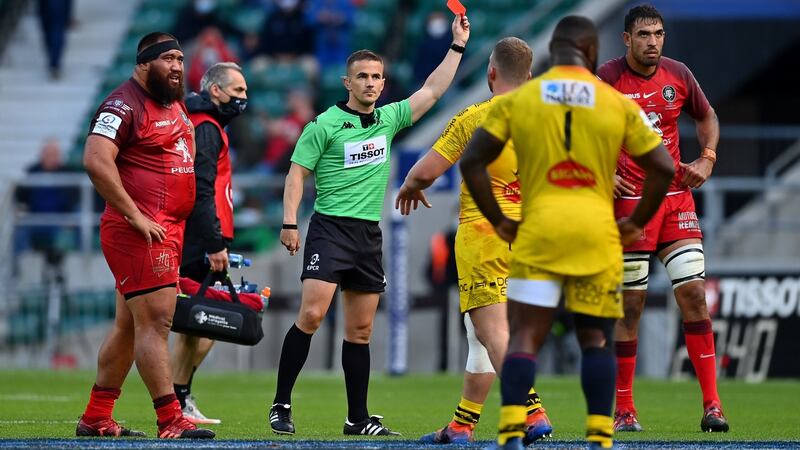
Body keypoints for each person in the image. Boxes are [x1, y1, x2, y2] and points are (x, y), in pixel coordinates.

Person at [460, 16, 674, 450]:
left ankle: (511, 434)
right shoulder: (615, 102)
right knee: (595, 337)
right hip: (596, 234)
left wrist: (500, 220)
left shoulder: (521, 100)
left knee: (523, 336)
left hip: (538, 232)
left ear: (550, 54)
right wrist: (635, 222)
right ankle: (599, 437)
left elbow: (472, 164)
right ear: (591, 53)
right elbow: (663, 167)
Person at [269, 13, 470, 437]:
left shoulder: (389, 118)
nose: (371, 83)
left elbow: (432, 91)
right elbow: (295, 176)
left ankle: (356, 419)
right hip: (329, 228)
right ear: (348, 83)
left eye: (377, 76)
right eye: (362, 76)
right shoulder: (323, 124)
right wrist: (290, 223)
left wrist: (457, 47)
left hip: (366, 235)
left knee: (360, 330)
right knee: (311, 314)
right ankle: (281, 404)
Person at [395, 37, 552, 445]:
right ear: (530, 76)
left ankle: (533, 412)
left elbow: (426, 170)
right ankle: (461, 426)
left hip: (487, 233)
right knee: (480, 330)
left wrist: (412, 184)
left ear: (491, 72)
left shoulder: (475, 117)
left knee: (491, 329)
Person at [596, 4, 728, 433]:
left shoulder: (679, 74)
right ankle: (625, 409)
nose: (653, 42)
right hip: (630, 206)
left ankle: (713, 406)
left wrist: (707, 158)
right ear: (627, 39)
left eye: (658, 34)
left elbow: (706, 116)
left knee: (693, 297)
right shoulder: (606, 80)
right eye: (644, 35)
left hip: (675, 201)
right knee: (630, 306)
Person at [77, 32, 214, 440]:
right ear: (144, 63)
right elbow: (96, 160)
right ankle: (171, 418)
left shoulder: (172, 103)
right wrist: (134, 215)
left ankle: (97, 416)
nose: (176, 66)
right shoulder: (122, 104)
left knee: (129, 327)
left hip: (165, 229)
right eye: (168, 59)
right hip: (139, 231)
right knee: (156, 323)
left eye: (180, 58)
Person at [170, 62, 249, 425]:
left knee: (197, 325)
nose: (243, 99)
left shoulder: (205, 123)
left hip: (203, 235)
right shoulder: (206, 128)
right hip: (200, 238)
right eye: (237, 92)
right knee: (206, 321)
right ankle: (176, 399)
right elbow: (201, 189)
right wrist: (215, 242)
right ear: (215, 91)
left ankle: (179, 398)